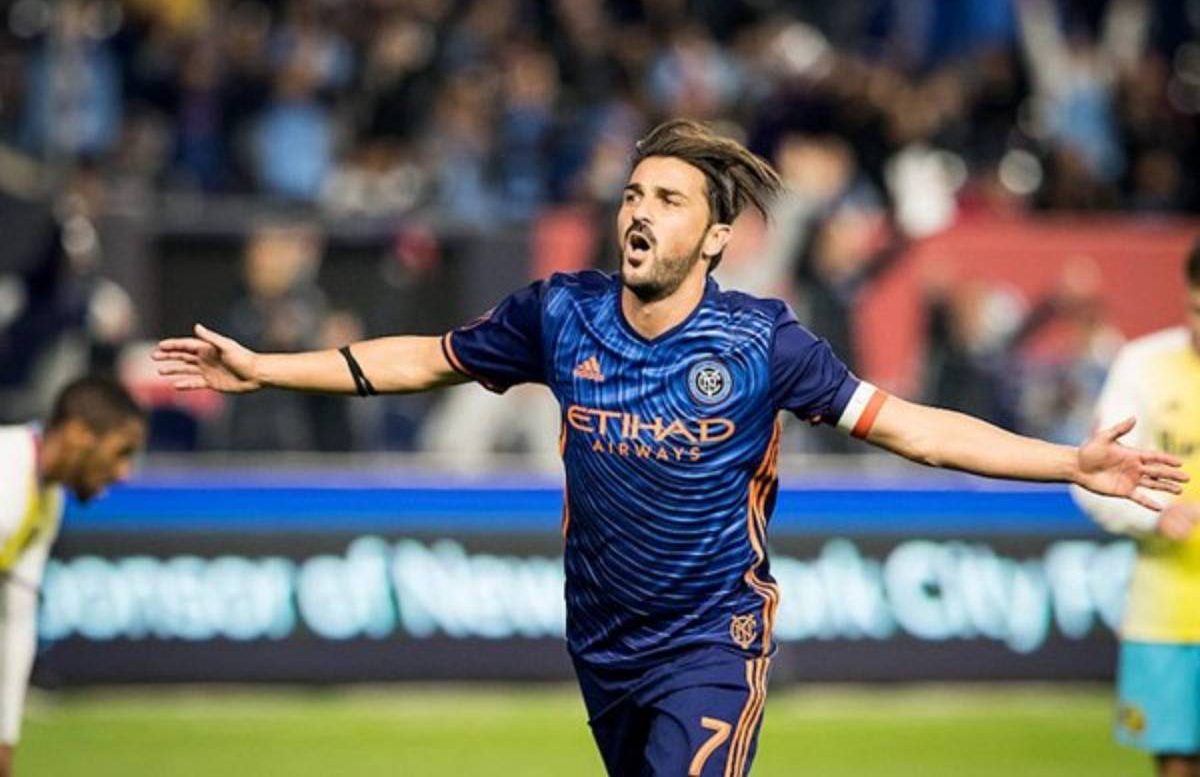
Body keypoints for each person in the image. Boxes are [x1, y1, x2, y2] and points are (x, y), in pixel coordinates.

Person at [154, 119, 1186, 777]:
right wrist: (265, 366)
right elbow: (425, 358)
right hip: (602, 642)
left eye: (669, 199)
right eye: (633, 194)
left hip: (712, 642)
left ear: (716, 237)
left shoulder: (764, 343)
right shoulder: (559, 314)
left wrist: (1068, 462)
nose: (640, 213)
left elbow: (914, 426)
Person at [1071, 240, 1200, 777]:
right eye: (1196, 309)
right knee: (1177, 765)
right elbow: (1091, 478)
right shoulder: (1145, 365)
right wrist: (1156, 515)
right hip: (1167, 612)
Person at [0, 375, 146, 777]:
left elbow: (17, 620)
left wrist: (5, 738)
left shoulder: (45, 497)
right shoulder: (6, 478)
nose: (123, 473)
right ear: (79, 433)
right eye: (121, 452)